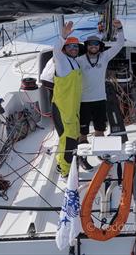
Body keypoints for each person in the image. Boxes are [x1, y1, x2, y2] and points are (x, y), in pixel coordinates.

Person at [77, 19, 125, 170]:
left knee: (100, 130)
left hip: (100, 100)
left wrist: (120, 29)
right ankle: (82, 159)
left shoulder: (104, 57)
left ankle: (100, 153)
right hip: (83, 101)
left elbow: (119, 44)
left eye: (96, 44)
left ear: (100, 46)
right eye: (90, 44)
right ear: (86, 46)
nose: (93, 46)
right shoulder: (78, 60)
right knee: (82, 132)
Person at [52, 21, 81, 178]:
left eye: (76, 47)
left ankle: (64, 163)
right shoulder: (62, 61)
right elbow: (56, 51)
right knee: (68, 140)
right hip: (63, 109)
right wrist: (63, 36)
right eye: (70, 47)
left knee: (71, 138)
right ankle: (64, 171)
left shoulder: (75, 63)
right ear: (64, 49)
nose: (73, 49)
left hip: (72, 110)